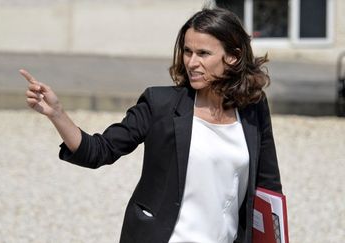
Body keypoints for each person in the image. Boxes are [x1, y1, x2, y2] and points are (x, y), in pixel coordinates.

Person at [21, 7, 282, 243]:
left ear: (233, 57)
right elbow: (98, 151)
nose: (191, 62)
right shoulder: (160, 104)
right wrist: (57, 113)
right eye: (188, 51)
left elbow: (268, 187)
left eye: (203, 53)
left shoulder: (252, 108)